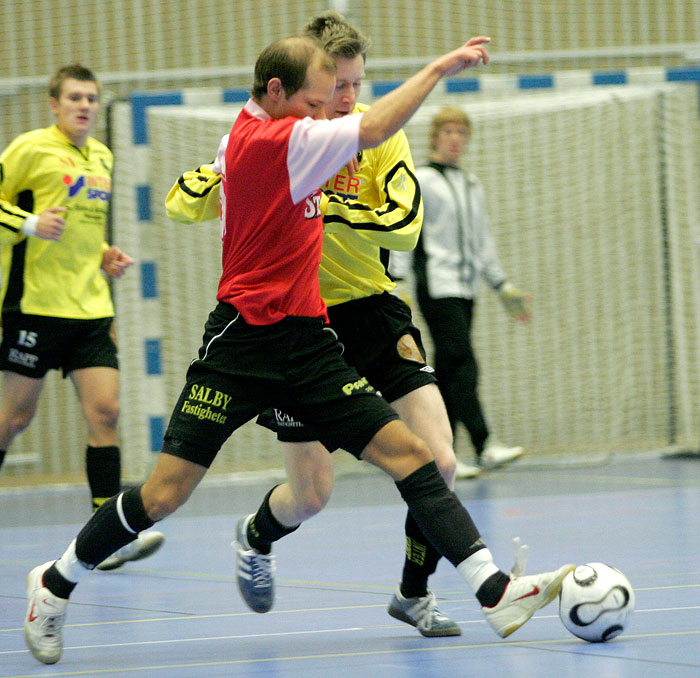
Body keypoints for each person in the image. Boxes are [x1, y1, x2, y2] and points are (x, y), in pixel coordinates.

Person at [23, 37, 574, 666]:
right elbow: (372, 127)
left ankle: (493, 590)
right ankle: (55, 580)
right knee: (164, 494)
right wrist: (440, 68)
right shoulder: (272, 143)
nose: (325, 111)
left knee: (415, 455)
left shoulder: (287, 128)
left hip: (310, 340)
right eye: (315, 100)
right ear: (277, 93)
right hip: (242, 343)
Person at [166, 11, 480, 640]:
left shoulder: (378, 136)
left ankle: (413, 594)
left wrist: (326, 204)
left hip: (370, 309)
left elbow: (406, 224)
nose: (348, 99)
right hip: (299, 326)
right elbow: (184, 201)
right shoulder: (279, 136)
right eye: (337, 86)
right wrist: (227, 184)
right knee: (312, 495)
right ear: (310, 86)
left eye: (358, 85)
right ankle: (256, 535)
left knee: (439, 460)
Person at [0, 64, 164, 571]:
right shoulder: (30, 149)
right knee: (13, 419)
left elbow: (82, 230)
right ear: (54, 103)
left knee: (106, 413)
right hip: (34, 307)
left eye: (91, 98)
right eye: (74, 97)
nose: (84, 106)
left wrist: (102, 254)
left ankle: (106, 536)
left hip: (91, 307)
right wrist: (27, 222)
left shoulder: (102, 156)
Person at [392, 106, 530, 471]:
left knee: (450, 368)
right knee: (463, 361)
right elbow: (406, 230)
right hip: (437, 286)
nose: (455, 139)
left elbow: (482, 242)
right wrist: (399, 281)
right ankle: (484, 442)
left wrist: (503, 286)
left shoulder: (471, 184)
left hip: (467, 288)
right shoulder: (420, 179)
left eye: (462, 132)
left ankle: (443, 455)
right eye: (449, 131)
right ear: (435, 136)